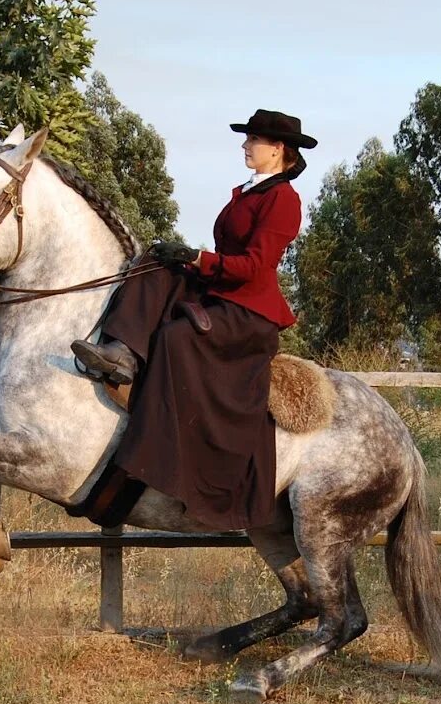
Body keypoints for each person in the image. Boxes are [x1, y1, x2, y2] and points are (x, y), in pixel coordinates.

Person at [71, 109, 317, 531]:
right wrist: (184, 259)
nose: (245, 146)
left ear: (277, 150)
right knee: (152, 264)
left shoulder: (283, 200)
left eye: (252, 140)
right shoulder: (249, 192)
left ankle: (156, 457)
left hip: (248, 315)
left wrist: (198, 258)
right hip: (221, 295)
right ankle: (122, 353)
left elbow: (255, 267)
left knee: (176, 339)